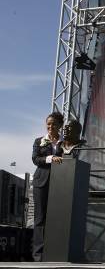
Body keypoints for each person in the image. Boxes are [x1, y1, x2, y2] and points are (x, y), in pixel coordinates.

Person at [31, 112, 65, 261]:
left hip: (61, 183)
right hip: (41, 182)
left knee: (56, 218)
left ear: (60, 126)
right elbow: (35, 159)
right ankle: (38, 255)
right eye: (48, 124)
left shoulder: (65, 142)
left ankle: (54, 252)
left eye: (54, 124)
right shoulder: (39, 141)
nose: (50, 126)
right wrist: (50, 158)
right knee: (40, 219)